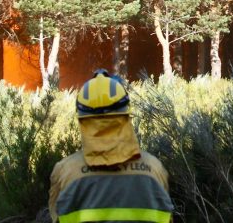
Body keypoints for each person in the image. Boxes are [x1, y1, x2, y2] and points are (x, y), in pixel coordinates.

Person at [49, 69, 174, 223]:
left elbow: (55, 217)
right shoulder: (153, 169)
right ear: (126, 113)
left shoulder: (66, 172)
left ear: (81, 118)